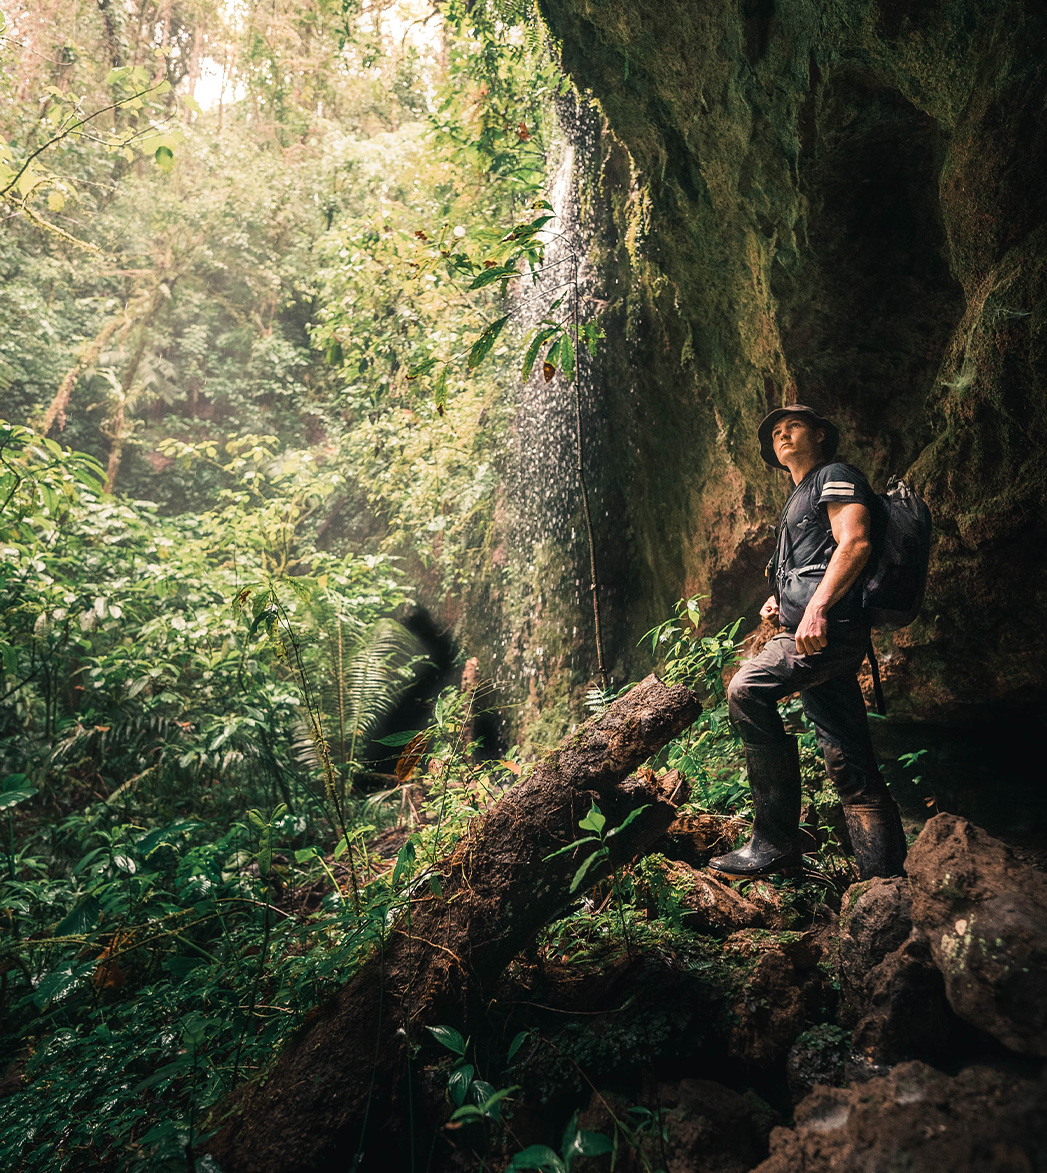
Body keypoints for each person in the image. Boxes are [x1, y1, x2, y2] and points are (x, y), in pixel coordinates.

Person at [708, 404, 907, 881]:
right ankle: (886, 881)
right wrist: (780, 600)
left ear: (820, 434)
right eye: (775, 432)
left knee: (745, 689)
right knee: (848, 760)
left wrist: (815, 607)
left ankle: (774, 842)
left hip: (825, 630)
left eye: (792, 426)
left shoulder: (833, 475)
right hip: (813, 632)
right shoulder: (798, 498)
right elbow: (810, 564)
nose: (782, 435)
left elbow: (854, 541)